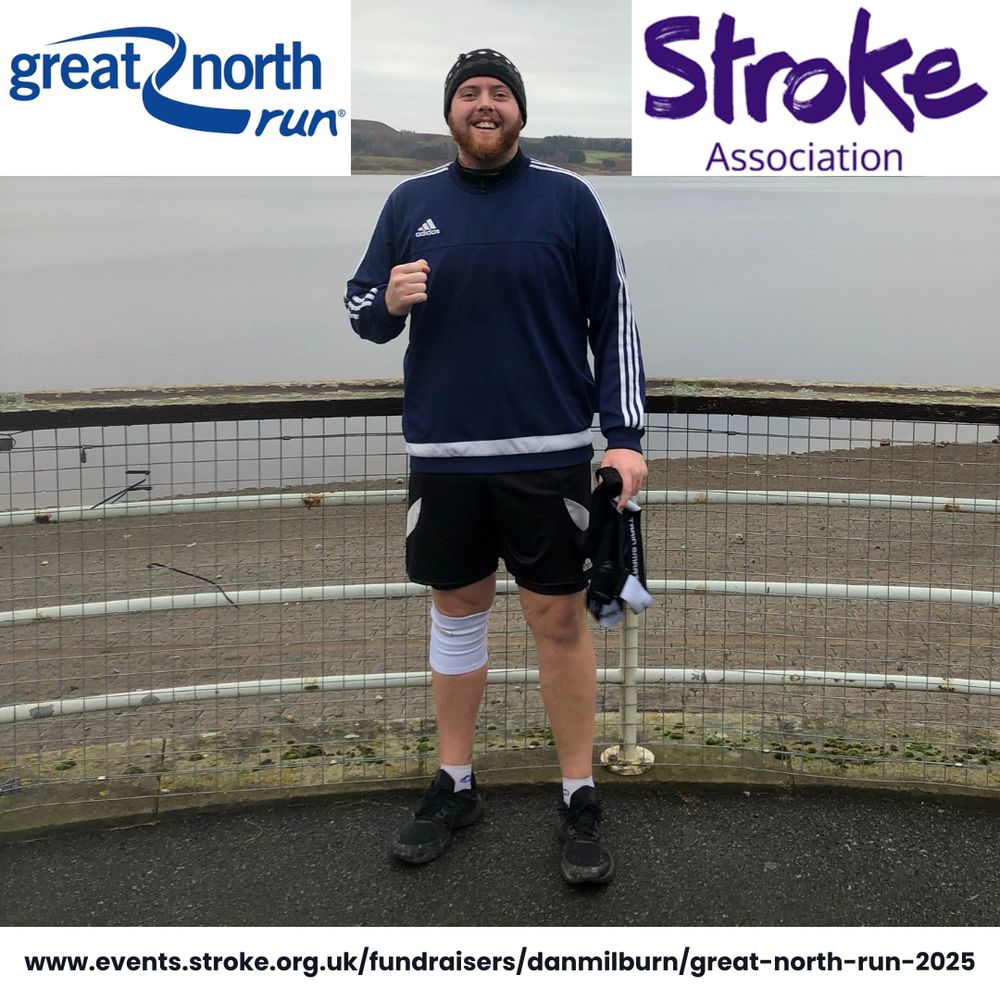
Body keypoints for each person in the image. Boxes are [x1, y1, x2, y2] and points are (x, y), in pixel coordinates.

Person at [344, 48, 646, 884]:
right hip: (443, 459)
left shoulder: (570, 198)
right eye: (470, 93)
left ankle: (579, 794)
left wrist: (624, 436)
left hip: (548, 456)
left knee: (559, 624)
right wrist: (389, 303)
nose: (485, 104)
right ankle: (456, 781)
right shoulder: (409, 201)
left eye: (499, 93)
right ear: (450, 113)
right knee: (457, 614)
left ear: (520, 111)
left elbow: (613, 317)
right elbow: (361, 305)